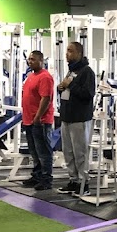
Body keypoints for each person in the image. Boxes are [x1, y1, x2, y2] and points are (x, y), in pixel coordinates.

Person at [58, 41, 95, 195]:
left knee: (80, 153)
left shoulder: (87, 72)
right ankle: (73, 180)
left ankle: (83, 184)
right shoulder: (70, 71)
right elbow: (67, 91)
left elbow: (88, 94)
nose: (67, 53)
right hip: (66, 117)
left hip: (80, 118)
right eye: (67, 50)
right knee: (68, 152)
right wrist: (60, 88)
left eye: (70, 51)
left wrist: (70, 85)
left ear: (79, 53)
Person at [20, 50, 55, 191]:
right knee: (34, 152)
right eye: (29, 59)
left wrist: (38, 116)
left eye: (33, 59)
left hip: (40, 121)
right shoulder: (31, 76)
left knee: (43, 152)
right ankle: (37, 176)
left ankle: (46, 179)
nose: (30, 61)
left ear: (41, 61)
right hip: (29, 120)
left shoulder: (45, 77)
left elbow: (46, 98)